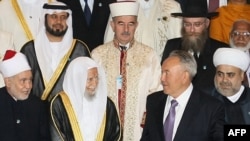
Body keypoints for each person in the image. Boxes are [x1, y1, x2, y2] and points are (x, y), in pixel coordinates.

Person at [91, 1, 162, 140]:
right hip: (105, 128)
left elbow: (157, 93)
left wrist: (145, 122)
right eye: (120, 23)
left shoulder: (149, 55)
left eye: (130, 24)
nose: (126, 29)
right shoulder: (98, 55)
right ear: (112, 25)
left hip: (138, 130)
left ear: (136, 25)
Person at [141, 50, 225, 141]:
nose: (162, 78)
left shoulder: (211, 107)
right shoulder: (153, 101)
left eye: (167, 73)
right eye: (162, 72)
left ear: (184, 76)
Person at [20, 1, 91, 101]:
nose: (59, 21)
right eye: (54, 16)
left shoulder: (79, 49)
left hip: (68, 112)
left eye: (63, 17)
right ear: (45, 18)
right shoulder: (29, 49)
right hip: (35, 112)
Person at [161, 0, 228, 96]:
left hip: (209, 107)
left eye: (197, 24)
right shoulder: (172, 46)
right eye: (187, 24)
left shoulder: (220, 49)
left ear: (207, 23)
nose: (192, 30)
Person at [50, 57, 121, 141]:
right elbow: (56, 137)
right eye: (90, 79)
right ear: (77, 79)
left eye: (97, 78)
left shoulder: (107, 104)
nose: (94, 84)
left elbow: (115, 134)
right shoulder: (59, 104)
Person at [0, 50, 51, 141]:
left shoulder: (37, 106)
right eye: (23, 81)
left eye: (30, 80)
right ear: (8, 82)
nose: (28, 86)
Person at [104, 0, 183, 58]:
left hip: (163, 74)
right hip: (129, 73)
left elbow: (179, 48)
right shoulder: (122, 5)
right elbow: (109, 46)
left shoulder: (172, 7)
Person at [212, 48, 250, 124]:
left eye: (230, 75)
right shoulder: (204, 99)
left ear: (242, 76)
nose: (224, 80)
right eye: (220, 74)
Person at [228, 19, 250, 86]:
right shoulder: (223, 58)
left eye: (246, 34)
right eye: (236, 34)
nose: (241, 38)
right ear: (231, 36)